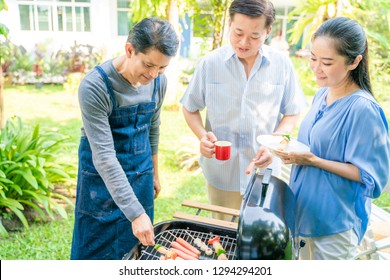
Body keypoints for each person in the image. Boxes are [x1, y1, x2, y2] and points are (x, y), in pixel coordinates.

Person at [180, 0, 306, 220]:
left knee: (258, 239)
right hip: (221, 172)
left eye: (254, 36)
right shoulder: (210, 64)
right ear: (230, 24)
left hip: (264, 173)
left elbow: (293, 111)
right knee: (224, 236)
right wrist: (203, 137)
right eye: (238, 33)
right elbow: (190, 108)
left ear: (268, 31)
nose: (244, 42)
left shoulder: (281, 65)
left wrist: (275, 145)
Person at [276, 17, 390, 260]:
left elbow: (371, 177)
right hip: (304, 214)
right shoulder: (322, 95)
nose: (316, 67)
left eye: (326, 62)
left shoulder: (363, 110)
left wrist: (314, 161)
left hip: (335, 225)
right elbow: (317, 144)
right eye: (313, 58)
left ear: (355, 61)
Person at [70, 17, 179, 260]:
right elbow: (105, 158)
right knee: (94, 251)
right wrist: (135, 213)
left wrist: (155, 172)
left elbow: (153, 127)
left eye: (161, 68)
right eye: (149, 65)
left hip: (140, 175)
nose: (153, 74)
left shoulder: (158, 81)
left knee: (135, 254)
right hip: (100, 181)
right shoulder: (95, 86)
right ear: (130, 50)